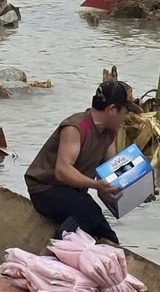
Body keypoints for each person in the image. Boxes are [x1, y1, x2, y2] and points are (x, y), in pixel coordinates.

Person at [24, 78, 134, 243]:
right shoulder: (75, 127)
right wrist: (96, 185)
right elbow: (62, 171)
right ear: (112, 109)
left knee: (108, 236)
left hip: (74, 193)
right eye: (126, 111)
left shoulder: (110, 132)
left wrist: (138, 187)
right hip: (45, 189)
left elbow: (110, 171)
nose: (126, 117)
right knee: (89, 211)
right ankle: (54, 246)